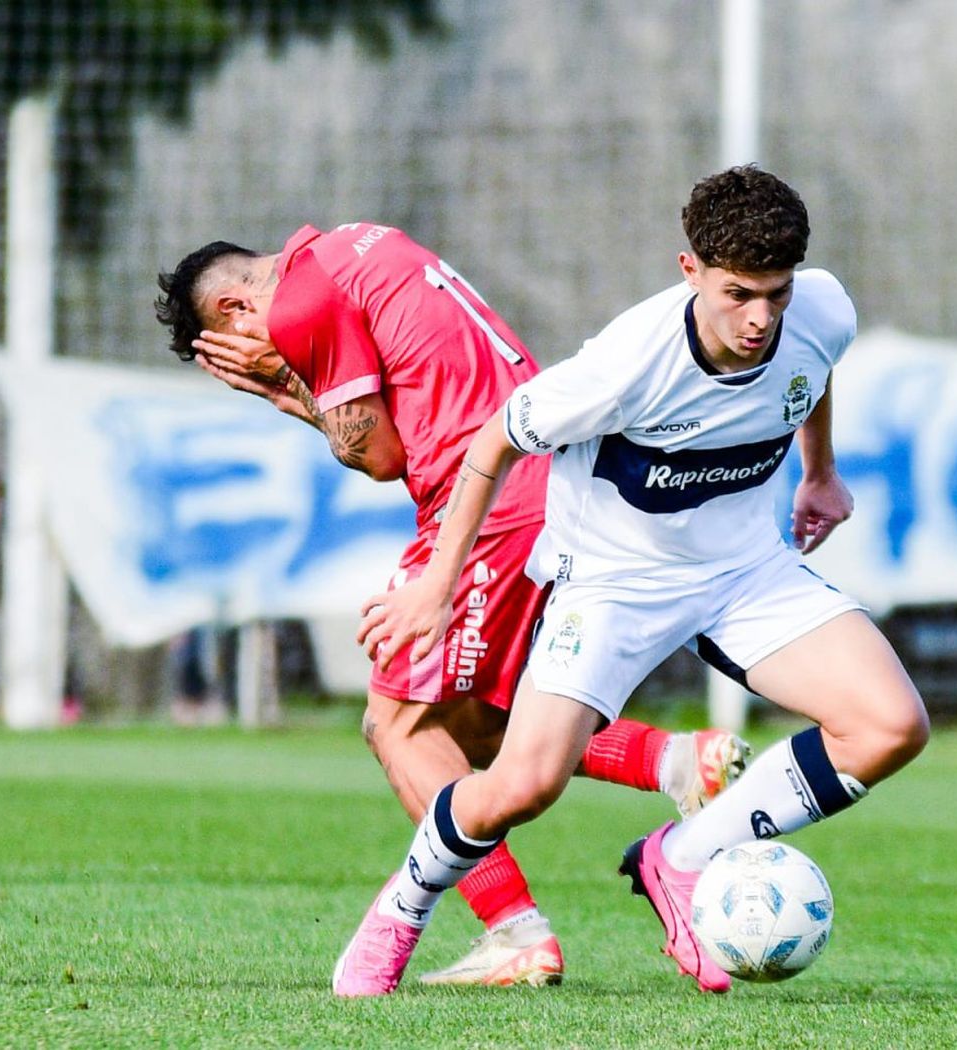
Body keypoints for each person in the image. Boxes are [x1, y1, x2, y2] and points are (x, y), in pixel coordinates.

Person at [356, 165, 931, 995]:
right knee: (521, 786)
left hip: (744, 572)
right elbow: (492, 444)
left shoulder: (821, 311)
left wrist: (820, 473)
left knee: (888, 725)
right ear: (689, 269)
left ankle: (684, 858)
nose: (760, 318)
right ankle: (401, 912)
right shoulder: (625, 365)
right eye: (739, 294)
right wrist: (438, 586)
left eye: (776, 293)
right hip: (612, 585)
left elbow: (813, 369)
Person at [154, 224, 749, 990]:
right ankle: (671, 761)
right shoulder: (360, 243)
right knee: (475, 721)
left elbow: (379, 456)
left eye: (226, 345)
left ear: (236, 310)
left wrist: (283, 389)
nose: (241, 353)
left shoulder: (300, 308)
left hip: (488, 506)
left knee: (397, 724)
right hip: (548, 479)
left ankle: (515, 931)